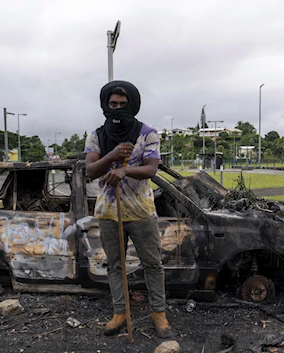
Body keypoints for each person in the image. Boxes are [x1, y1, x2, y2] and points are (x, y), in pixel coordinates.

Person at [84, 80, 172, 338]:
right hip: (109, 213)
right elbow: (90, 170)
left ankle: (159, 314)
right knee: (115, 265)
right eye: (113, 104)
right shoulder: (96, 136)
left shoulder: (148, 133)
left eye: (123, 104)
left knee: (153, 264)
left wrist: (124, 170)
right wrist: (112, 156)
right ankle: (120, 313)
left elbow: (151, 169)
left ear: (133, 105)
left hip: (142, 212)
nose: (118, 108)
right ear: (105, 105)